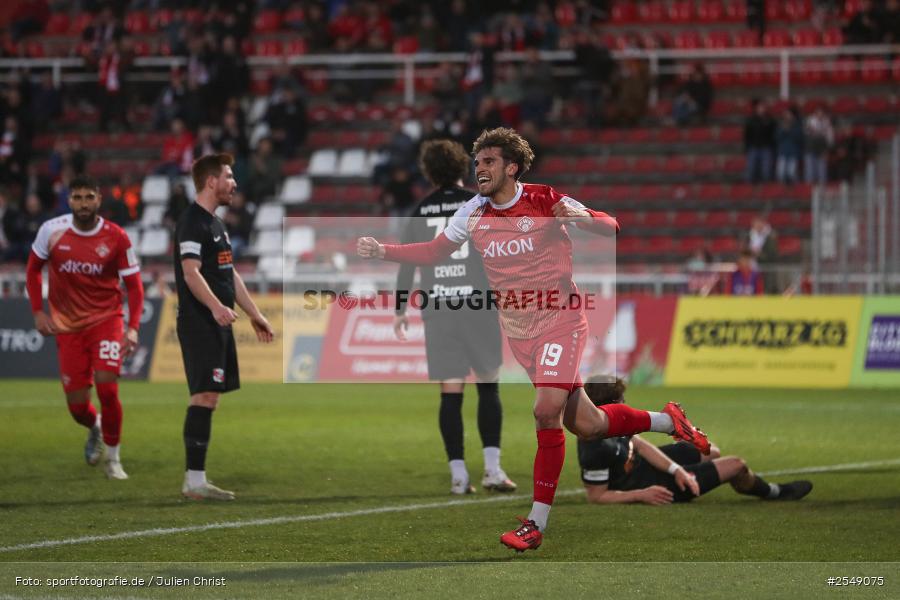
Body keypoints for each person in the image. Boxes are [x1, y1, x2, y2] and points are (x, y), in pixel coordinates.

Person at [357, 127, 710, 552]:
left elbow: (611, 226)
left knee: (545, 412)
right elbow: (434, 252)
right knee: (588, 424)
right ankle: (668, 420)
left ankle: (535, 523)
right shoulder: (471, 211)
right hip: (520, 332)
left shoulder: (545, 199)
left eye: (488, 162)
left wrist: (584, 220)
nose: (479, 169)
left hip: (560, 320)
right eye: (477, 163)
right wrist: (384, 251)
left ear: (511, 166)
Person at [393, 139, 515, 496]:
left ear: (429, 172)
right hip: (478, 306)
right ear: (464, 167)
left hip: (439, 308)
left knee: (450, 391)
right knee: (488, 384)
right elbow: (501, 252)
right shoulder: (479, 204)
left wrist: (400, 308)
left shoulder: (420, 210)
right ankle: (493, 470)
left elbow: (407, 259)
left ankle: (459, 476)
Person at [24, 174, 144, 479]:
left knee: (107, 387)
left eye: (89, 197)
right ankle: (96, 427)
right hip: (67, 327)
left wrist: (132, 328)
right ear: (69, 200)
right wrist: (38, 312)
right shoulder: (51, 231)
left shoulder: (117, 237)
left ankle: (114, 459)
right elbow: (33, 271)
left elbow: (135, 286)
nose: (83, 203)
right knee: (78, 408)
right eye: (77, 197)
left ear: (99, 200)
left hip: (106, 320)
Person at [174, 153, 274, 501]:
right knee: (203, 394)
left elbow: (228, 273)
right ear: (211, 181)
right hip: (201, 321)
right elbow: (191, 272)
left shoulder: (217, 225)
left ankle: (196, 479)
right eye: (229, 176)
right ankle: (194, 481)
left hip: (217, 321)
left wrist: (254, 313)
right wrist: (216, 307)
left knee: (210, 398)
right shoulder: (193, 222)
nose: (235, 183)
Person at [578, 376, 813, 504]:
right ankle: (775, 492)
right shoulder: (593, 444)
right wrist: (642, 495)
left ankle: (698, 474)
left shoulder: (612, 423)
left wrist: (676, 469)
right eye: (621, 399)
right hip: (648, 485)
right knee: (737, 465)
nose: (625, 403)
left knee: (712, 452)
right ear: (609, 404)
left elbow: (640, 445)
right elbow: (596, 495)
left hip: (646, 468)